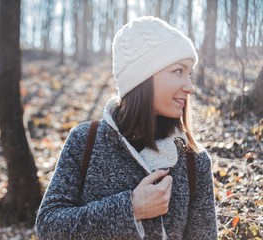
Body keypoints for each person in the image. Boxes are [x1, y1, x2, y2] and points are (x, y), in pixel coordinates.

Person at [35, 16, 217, 239]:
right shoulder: (85, 141)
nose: (190, 87)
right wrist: (130, 209)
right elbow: (48, 225)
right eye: (178, 71)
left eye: (189, 73)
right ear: (143, 78)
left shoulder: (193, 160)